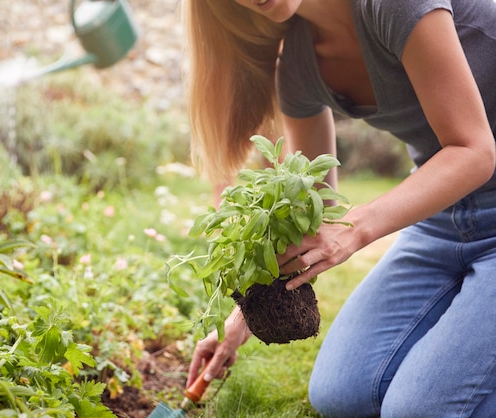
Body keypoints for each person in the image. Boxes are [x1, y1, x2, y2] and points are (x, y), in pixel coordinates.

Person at [182, 0, 496, 416]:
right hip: (440, 223)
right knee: (341, 394)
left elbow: (474, 151)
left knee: (415, 411)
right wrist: (246, 316)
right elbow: (314, 209)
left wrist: (358, 227)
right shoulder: (298, 62)